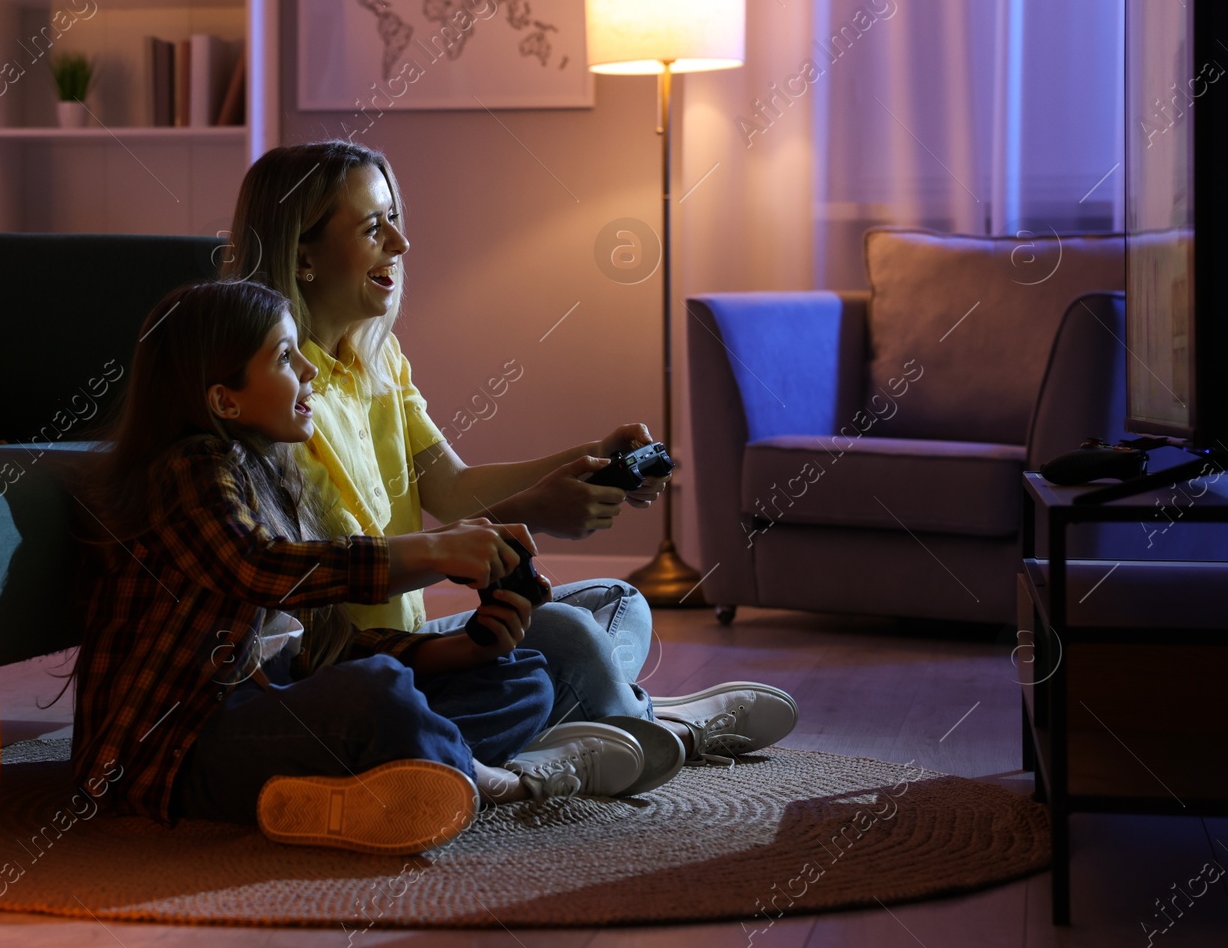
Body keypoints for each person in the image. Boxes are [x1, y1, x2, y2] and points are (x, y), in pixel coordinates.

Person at [222, 141, 799, 769]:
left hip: (415, 642)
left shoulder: (379, 359)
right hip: (357, 658)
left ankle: (598, 715)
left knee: (617, 603)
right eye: (372, 227)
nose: (400, 243)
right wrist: (530, 513)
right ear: (302, 255)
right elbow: (332, 570)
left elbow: (449, 485)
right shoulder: (277, 392)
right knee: (569, 633)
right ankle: (657, 726)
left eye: (396, 219)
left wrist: (580, 464)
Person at [71, 280, 651, 856]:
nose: (309, 370)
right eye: (283, 356)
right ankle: (494, 779)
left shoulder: (275, 480)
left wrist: (464, 650)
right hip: (176, 750)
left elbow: (322, 651)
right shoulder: (189, 467)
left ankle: (364, 788)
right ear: (225, 401)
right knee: (379, 692)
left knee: (521, 678)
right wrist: (436, 550)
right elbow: (259, 569)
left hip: (274, 718)